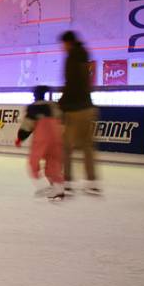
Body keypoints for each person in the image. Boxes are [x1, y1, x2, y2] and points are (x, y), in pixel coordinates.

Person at [59, 31, 100, 194]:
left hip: (74, 109)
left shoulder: (71, 58)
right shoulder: (84, 55)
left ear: (68, 43)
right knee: (87, 146)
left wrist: (61, 104)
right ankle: (91, 181)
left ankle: (67, 180)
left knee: (67, 147)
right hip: (88, 107)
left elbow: (71, 83)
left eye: (63, 44)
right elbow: (84, 82)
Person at [16, 85, 65, 200]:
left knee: (33, 163)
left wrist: (20, 138)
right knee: (54, 164)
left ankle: (43, 186)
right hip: (56, 137)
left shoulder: (33, 108)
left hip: (42, 138)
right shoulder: (53, 106)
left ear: (35, 95)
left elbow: (27, 125)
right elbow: (62, 121)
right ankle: (59, 189)